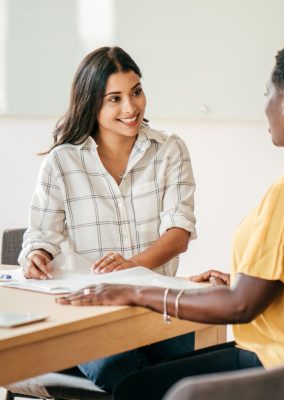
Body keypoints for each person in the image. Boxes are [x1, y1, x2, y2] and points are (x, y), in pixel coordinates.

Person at [57, 36, 284, 400]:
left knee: (134, 387)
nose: (266, 107)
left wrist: (136, 290)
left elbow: (241, 306)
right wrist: (240, 281)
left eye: (268, 95)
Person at [19, 46, 197, 391]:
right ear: (91, 103)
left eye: (136, 92)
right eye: (114, 98)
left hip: (158, 313)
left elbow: (179, 233)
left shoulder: (170, 150)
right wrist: (36, 256)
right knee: (125, 371)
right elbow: (40, 236)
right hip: (90, 317)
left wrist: (130, 267)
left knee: (199, 364)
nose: (131, 108)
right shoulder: (61, 163)